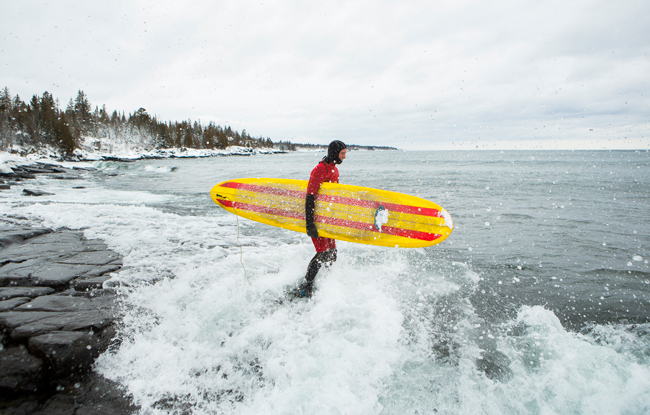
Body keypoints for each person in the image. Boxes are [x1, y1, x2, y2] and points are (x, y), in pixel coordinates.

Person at [292, 140, 347, 298]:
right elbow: (310, 197)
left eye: (345, 154)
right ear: (334, 153)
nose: (344, 156)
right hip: (315, 219)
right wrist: (310, 224)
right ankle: (306, 285)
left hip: (327, 219)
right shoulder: (319, 169)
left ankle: (326, 281)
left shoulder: (334, 170)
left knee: (332, 253)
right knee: (322, 253)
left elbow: (332, 197)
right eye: (342, 153)